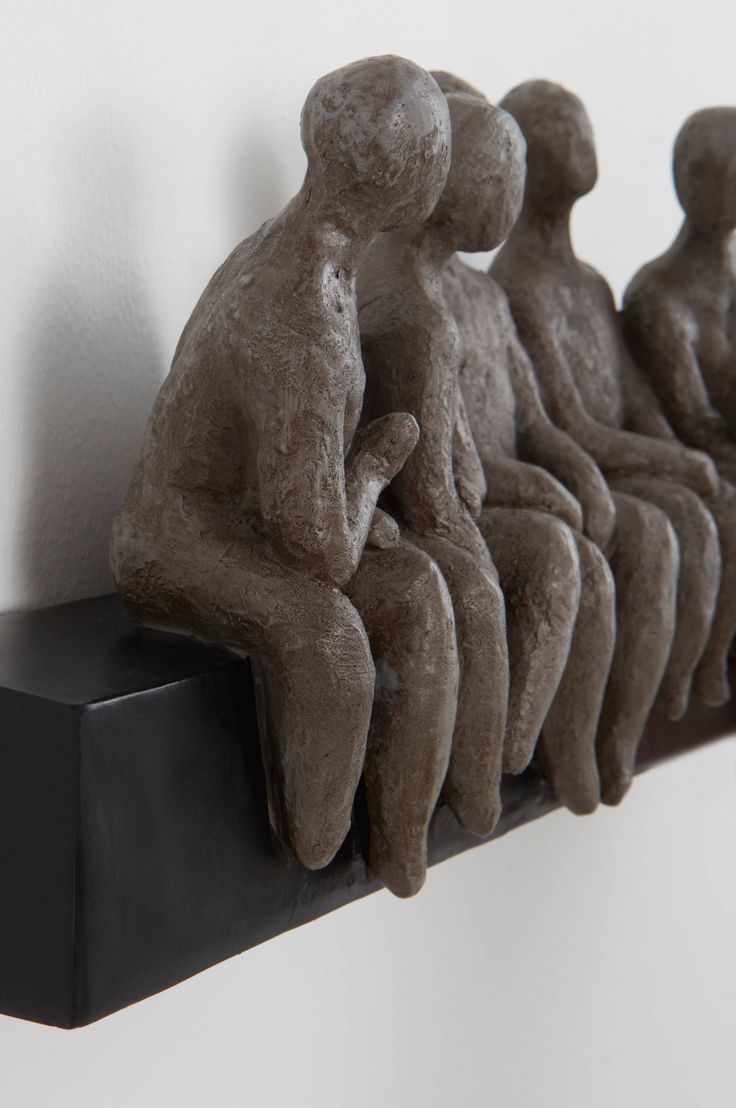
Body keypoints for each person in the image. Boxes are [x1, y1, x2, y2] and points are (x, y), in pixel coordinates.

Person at [110, 56, 461, 898]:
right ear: (409, 182)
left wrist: (354, 486)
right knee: (330, 640)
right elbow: (319, 556)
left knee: (419, 591)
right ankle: (314, 847)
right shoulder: (301, 307)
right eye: (438, 149)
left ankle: (402, 841)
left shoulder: (319, 254)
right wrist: (375, 468)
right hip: (178, 536)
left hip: (266, 515)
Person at [493, 82, 723, 752]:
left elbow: (636, 401)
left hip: (619, 461)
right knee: (654, 532)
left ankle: (678, 681)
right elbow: (568, 423)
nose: (581, 141)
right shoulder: (520, 283)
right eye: (560, 129)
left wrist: (678, 449)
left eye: (580, 124)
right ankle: (619, 725)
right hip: (584, 469)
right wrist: (678, 459)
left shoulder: (590, 283)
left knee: (708, 517)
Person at [623, 106, 736, 704]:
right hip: (689, 452)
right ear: (691, 179)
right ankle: (702, 664)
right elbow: (693, 421)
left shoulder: (730, 284)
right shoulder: (658, 295)